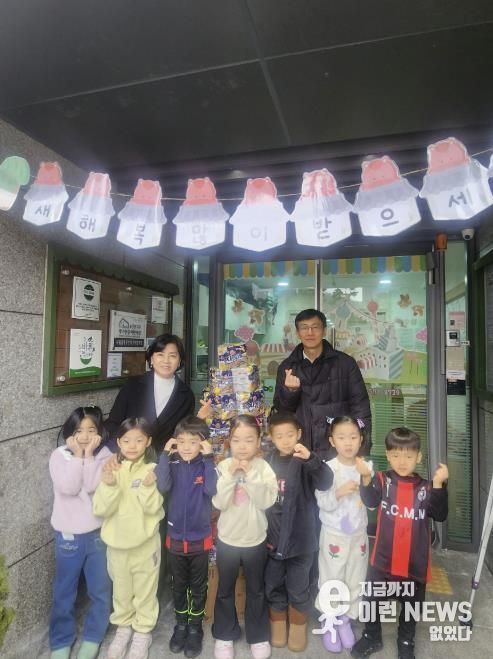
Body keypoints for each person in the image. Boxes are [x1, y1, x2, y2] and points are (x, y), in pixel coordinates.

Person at [351, 427, 448, 659]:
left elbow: (440, 514)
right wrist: (366, 478)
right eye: (395, 455)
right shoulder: (382, 480)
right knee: (372, 600)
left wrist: (438, 484)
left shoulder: (426, 487)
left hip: (414, 563)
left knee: (411, 606)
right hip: (383, 560)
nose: (402, 462)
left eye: (408, 456)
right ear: (387, 455)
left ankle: (406, 641)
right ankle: (371, 636)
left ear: (419, 457)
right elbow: (370, 501)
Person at [93, 418, 164, 659]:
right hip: (116, 546)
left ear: (148, 442)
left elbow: (154, 509)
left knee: (145, 591)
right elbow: (100, 509)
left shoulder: (153, 470)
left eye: (139, 440)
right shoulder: (111, 469)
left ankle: (143, 631)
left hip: (145, 546)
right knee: (121, 591)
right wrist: (109, 484)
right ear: (118, 442)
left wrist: (147, 487)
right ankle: (123, 629)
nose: (132, 446)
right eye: (126, 440)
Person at [264, 412, 332, 653]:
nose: (285, 440)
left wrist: (312, 459)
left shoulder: (305, 460)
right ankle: (278, 624)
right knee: (273, 584)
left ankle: (298, 626)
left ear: (299, 434)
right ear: (271, 437)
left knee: (298, 585)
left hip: (300, 540)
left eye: (290, 435)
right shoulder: (267, 462)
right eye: (279, 436)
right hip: (273, 539)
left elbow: (326, 482)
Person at [48, 406, 112, 659]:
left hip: (97, 534)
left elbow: (93, 484)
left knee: (100, 590)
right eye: (79, 431)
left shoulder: (105, 455)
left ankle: (93, 637)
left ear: (100, 432)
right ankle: (61, 641)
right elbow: (69, 487)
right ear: (70, 432)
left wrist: (87, 456)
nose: (85, 436)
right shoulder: (59, 456)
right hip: (68, 537)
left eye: (91, 430)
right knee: (64, 591)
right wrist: (78, 456)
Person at [212, 415, 278, 659]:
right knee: (225, 589)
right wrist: (231, 476)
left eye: (249, 440)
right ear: (229, 441)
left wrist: (250, 476)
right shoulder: (222, 467)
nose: (242, 446)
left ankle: (258, 636)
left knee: (256, 589)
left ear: (259, 441)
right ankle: (224, 635)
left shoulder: (264, 468)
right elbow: (219, 503)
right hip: (227, 540)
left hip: (255, 540)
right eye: (237, 440)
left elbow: (265, 502)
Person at [155, 415, 217, 658]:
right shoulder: (172, 463)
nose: (187, 447)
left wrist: (209, 458)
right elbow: (162, 486)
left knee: (198, 587)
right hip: (175, 540)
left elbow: (211, 489)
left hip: (200, 540)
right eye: (181, 441)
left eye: (193, 442)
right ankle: (180, 625)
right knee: (178, 585)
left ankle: (195, 628)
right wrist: (164, 454)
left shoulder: (206, 465)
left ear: (203, 443)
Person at [273, 309, 371, 459]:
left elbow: (361, 408)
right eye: (304, 327)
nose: (310, 332)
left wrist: (361, 449)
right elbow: (281, 413)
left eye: (315, 327)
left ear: (324, 331)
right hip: (301, 450)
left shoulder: (345, 364)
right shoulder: (287, 367)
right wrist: (290, 392)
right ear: (298, 333)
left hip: (338, 451)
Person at [314, 416, 370, 653]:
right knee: (332, 577)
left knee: (355, 578)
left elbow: (374, 503)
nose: (348, 442)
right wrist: (338, 492)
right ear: (332, 441)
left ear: (361, 440)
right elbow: (322, 502)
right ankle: (330, 620)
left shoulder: (366, 467)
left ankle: (345, 619)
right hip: (334, 535)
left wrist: (366, 479)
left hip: (358, 536)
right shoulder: (327, 469)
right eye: (342, 437)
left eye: (353, 437)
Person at [105, 334, 196, 454]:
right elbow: (113, 423)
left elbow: (183, 433)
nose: (166, 361)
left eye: (172, 356)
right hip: (127, 456)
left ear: (179, 361)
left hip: (163, 460)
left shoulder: (186, 395)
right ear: (151, 359)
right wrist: (115, 452)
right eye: (160, 355)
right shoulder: (133, 386)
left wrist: (199, 419)